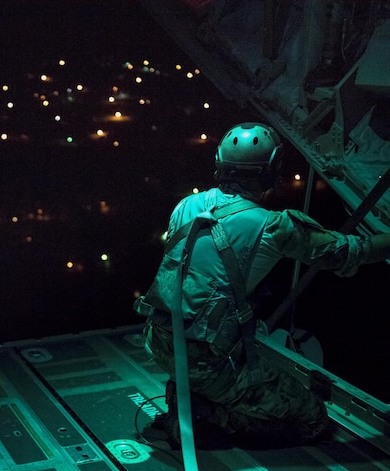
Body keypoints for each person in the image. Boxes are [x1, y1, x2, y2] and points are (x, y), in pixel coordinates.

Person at [135, 121, 390, 447]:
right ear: (271, 171)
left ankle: (191, 391)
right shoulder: (273, 227)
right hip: (205, 362)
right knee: (311, 417)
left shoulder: (187, 206)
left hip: (158, 340)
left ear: (220, 164)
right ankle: (205, 414)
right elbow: (351, 251)